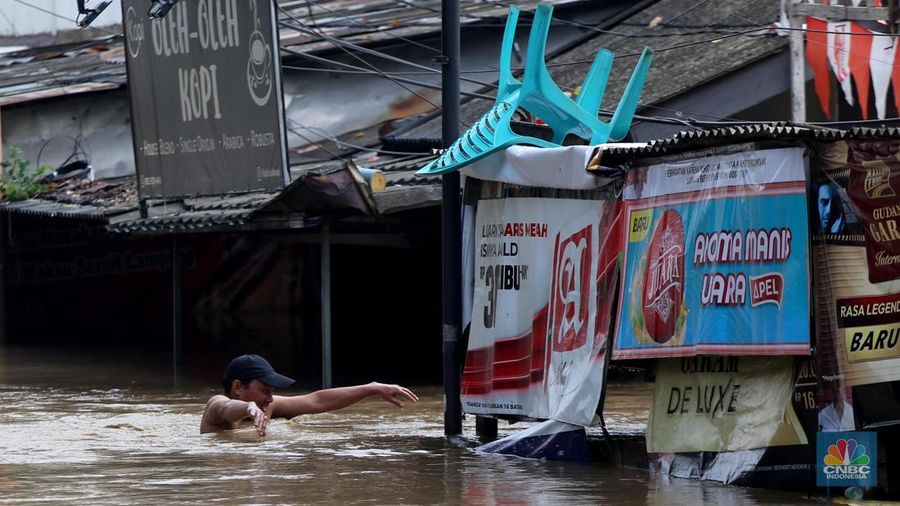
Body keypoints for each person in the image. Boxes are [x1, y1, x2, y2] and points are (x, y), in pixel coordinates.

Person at [201, 354, 419, 436]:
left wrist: (372, 388)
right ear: (238, 387)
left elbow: (316, 400)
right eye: (264, 391)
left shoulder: (269, 407)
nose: (269, 399)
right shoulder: (216, 404)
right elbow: (227, 409)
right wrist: (248, 407)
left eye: (272, 393)